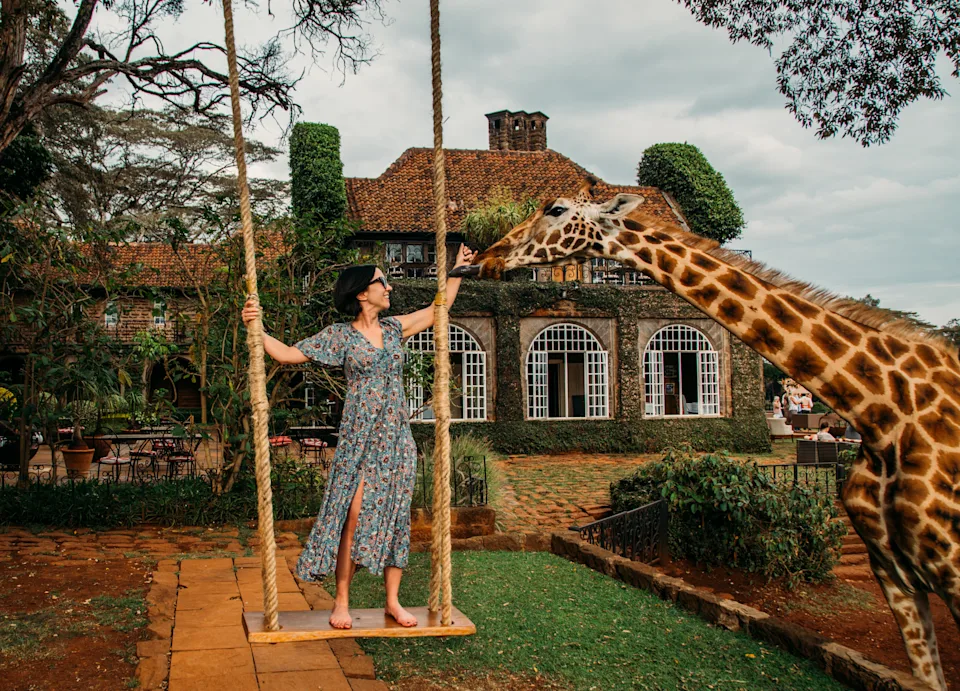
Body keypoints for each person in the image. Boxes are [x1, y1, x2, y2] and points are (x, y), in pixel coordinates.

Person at [241, 245, 477, 630]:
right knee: (353, 516)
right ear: (361, 293)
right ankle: (342, 601)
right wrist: (255, 325)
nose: (388, 287)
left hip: (397, 439)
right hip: (359, 439)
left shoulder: (395, 328)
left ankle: (393, 602)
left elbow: (441, 308)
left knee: (398, 516)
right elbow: (286, 354)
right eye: (381, 281)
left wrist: (457, 270)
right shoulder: (341, 337)